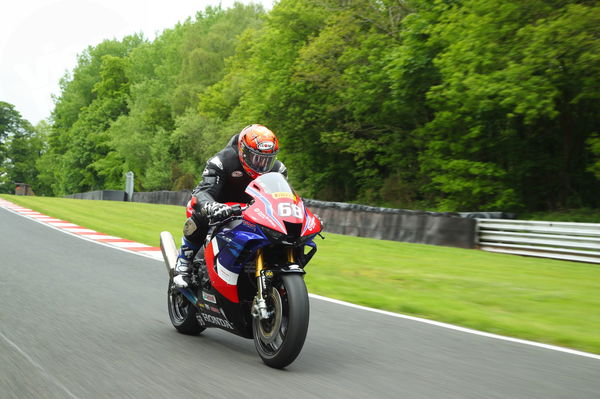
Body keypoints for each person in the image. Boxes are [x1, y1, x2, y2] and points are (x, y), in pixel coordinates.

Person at [173, 124, 287, 288]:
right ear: (243, 152)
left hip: (254, 211)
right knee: (198, 208)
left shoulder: (278, 170)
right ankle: (184, 260)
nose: (262, 165)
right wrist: (212, 206)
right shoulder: (222, 161)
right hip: (221, 206)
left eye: (267, 159)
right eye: (257, 158)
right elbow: (203, 191)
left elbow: (283, 197)